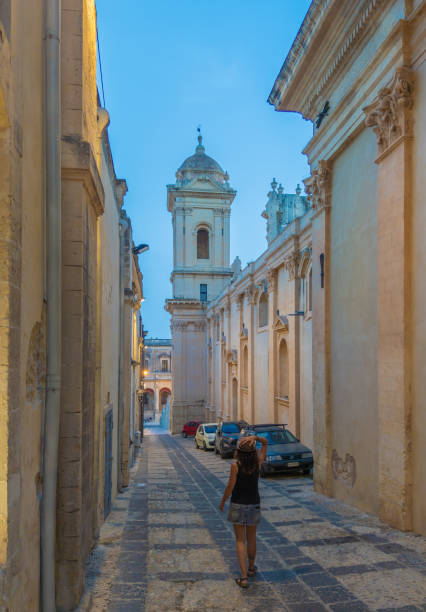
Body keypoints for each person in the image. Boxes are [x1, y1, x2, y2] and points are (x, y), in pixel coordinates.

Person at [219, 434, 268, 588]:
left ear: (239, 452)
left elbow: (230, 487)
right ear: (253, 452)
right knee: (252, 537)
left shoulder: (235, 466)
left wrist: (222, 502)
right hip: (254, 503)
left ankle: (244, 577)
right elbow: (265, 444)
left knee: (240, 540)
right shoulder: (258, 462)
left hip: (238, 505)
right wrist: (256, 438)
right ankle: (252, 568)